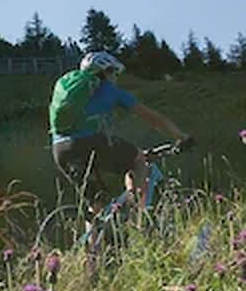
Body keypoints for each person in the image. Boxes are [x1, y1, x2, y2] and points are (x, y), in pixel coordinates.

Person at [49, 51, 192, 217]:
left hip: (60, 149)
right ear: (106, 72)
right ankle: (136, 218)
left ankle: (93, 243)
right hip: (90, 142)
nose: (115, 78)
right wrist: (181, 137)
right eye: (114, 73)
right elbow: (153, 118)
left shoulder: (73, 91)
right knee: (138, 159)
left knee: (97, 202)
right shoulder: (110, 90)